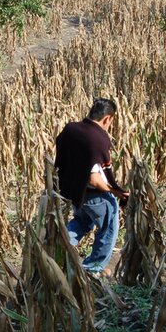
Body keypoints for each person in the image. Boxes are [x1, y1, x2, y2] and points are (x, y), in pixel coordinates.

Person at [54, 98, 130, 275]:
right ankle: (93, 268)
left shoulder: (71, 128)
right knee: (109, 225)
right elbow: (94, 179)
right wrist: (116, 192)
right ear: (107, 119)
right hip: (92, 195)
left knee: (82, 221)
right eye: (111, 122)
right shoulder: (97, 139)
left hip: (72, 192)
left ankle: (60, 249)